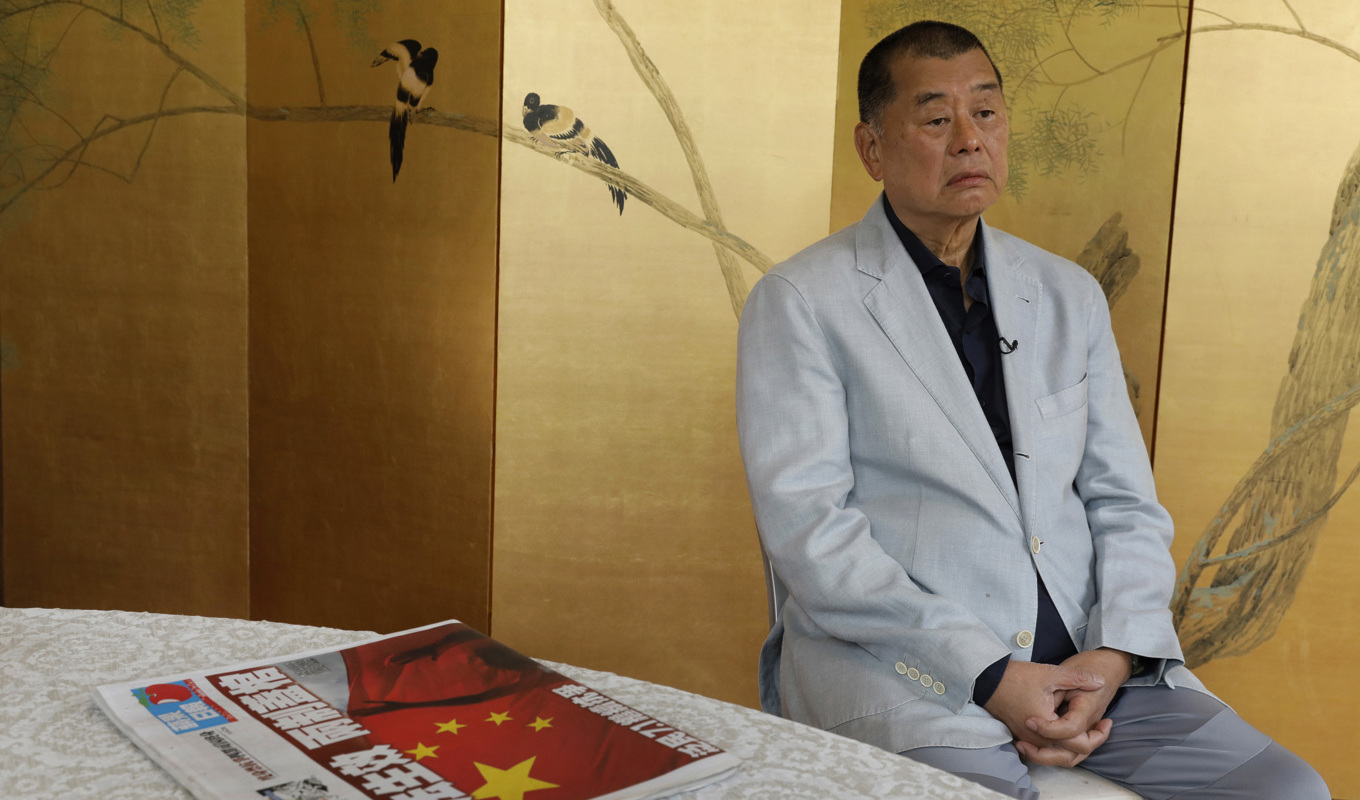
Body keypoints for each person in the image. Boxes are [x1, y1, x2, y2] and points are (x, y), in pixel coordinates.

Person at [734, 20, 1329, 800]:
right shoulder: (803, 302)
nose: (970, 141)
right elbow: (811, 538)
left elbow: (1126, 504)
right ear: (872, 148)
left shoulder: (1065, 294)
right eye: (936, 118)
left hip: (1093, 667)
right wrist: (988, 675)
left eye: (986, 113)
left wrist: (1113, 658)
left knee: (1287, 790)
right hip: (908, 670)